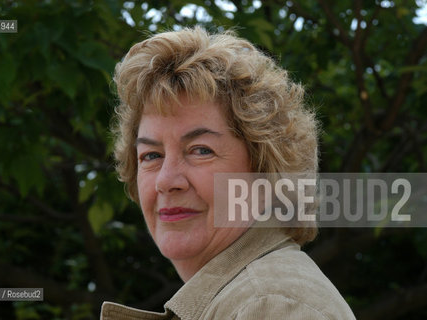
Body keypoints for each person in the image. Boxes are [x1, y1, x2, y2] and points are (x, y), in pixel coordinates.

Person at [102, 26, 355, 319]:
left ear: (265, 170)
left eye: (200, 150)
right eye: (152, 155)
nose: (166, 181)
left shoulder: (270, 305)